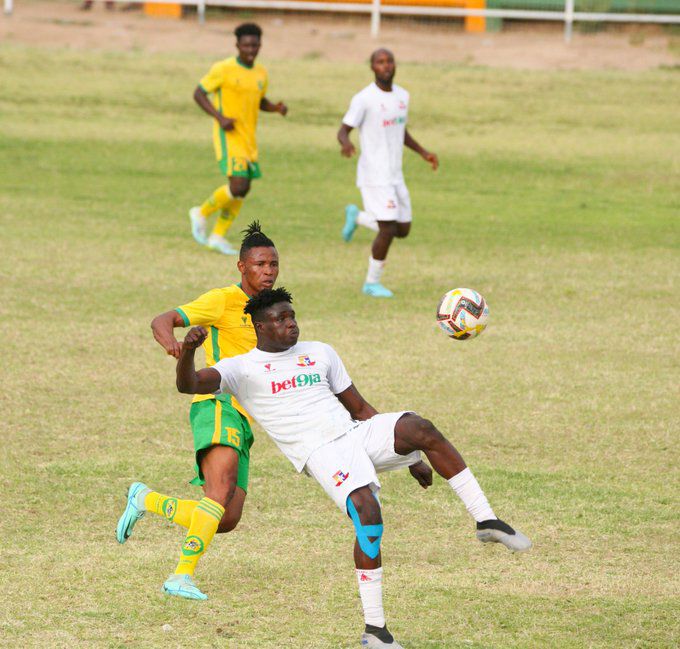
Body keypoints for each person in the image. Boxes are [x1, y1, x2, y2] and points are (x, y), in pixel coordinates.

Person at [176, 287, 531, 647]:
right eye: (280, 319)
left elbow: (359, 409)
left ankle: (486, 520)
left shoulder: (320, 352)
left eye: (292, 316)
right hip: (320, 452)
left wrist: (412, 456)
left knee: (420, 428)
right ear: (260, 327)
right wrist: (188, 351)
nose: (291, 324)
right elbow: (188, 384)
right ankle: (375, 631)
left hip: (354, 433)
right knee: (368, 513)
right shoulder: (240, 368)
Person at [115, 222, 279, 601]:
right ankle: (180, 576)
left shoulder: (274, 309)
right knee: (219, 492)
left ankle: (145, 499)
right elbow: (162, 320)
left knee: (227, 517)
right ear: (242, 266)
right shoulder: (223, 300)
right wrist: (173, 345)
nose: (268, 271)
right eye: (259, 264)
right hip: (217, 404)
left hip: (245, 416)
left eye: (273, 264)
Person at [337, 49, 438, 299]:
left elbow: (400, 131)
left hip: (395, 174)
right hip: (374, 174)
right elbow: (343, 130)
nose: (386, 66)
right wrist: (346, 144)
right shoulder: (364, 99)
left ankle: (358, 217)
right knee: (387, 229)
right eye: (380, 62)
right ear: (372, 67)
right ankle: (371, 283)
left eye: (389, 61)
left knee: (402, 229)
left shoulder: (403, 96)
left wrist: (423, 152)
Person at [189, 23, 288, 256]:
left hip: (248, 138)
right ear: (237, 45)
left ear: (260, 45)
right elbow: (198, 93)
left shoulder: (261, 73)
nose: (251, 50)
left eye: (255, 45)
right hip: (228, 135)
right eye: (246, 45)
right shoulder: (223, 69)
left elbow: (259, 101)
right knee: (238, 184)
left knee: (243, 190)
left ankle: (217, 236)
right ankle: (200, 213)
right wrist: (220, 117)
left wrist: (275, 108)